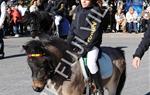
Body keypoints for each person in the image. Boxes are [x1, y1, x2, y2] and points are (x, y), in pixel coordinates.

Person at [67, 0, 108, 94]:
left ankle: (99, 88)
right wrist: (68, 42)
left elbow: (95, 32)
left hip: (92, 45)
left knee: (91, 63)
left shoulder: (96, 11)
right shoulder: (77, 9)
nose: (84, 1)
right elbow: (72, 28)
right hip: (77, 43)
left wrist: (87, 47)